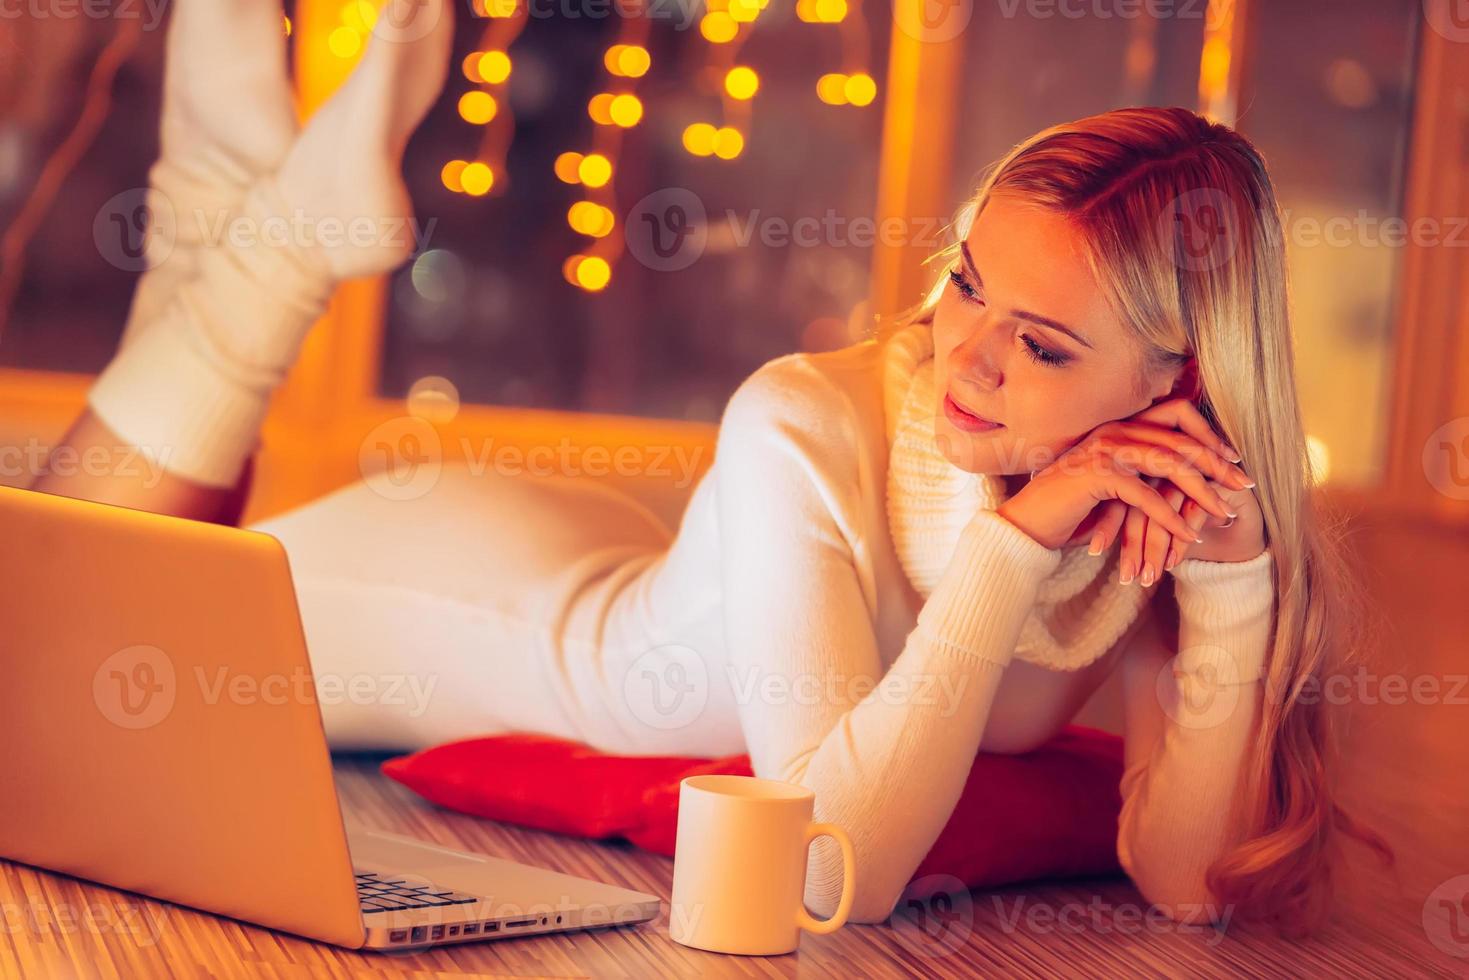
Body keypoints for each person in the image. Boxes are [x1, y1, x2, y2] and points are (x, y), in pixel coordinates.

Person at [31, 0, 1391, 936]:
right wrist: (1009, 544)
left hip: (592, 555)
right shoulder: (804, 417)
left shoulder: (1143, 516)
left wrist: (1229, 586)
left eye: (1035, 345)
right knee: (38, 658)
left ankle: (232, 212)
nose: (963, 353)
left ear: (1181, 383)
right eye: (968, 284)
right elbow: (827, 872)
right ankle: (247, 248)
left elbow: (1177, 884)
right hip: (467, 598)